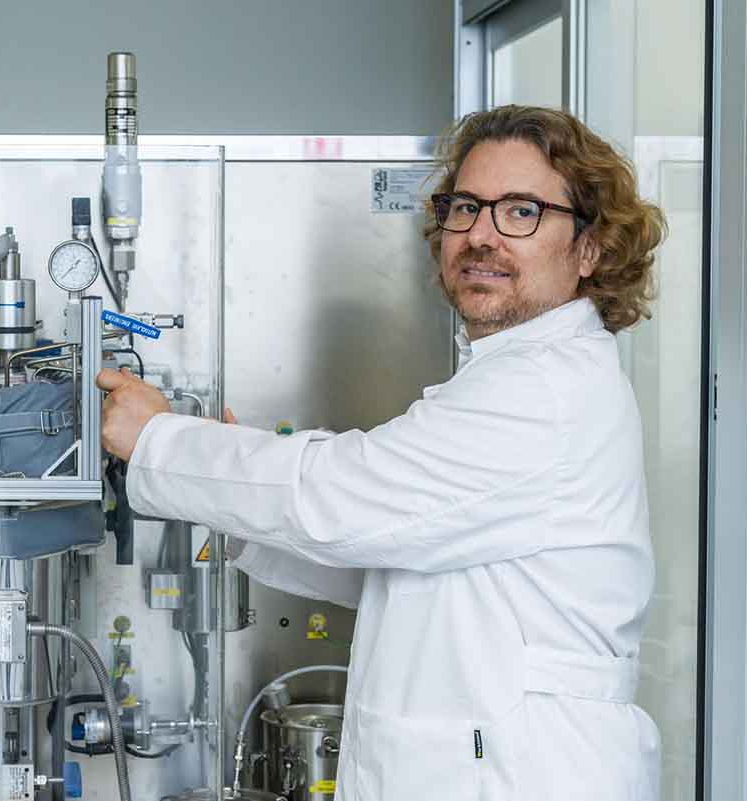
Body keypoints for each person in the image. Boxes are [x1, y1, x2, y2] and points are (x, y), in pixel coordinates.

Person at [97, 105, 667, 801]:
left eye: (521, 211)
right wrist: (225, 491)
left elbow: (339, 498)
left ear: (590, 248)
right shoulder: (512, 376)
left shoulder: (544, 390)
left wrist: (161, 441)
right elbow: (390, 552)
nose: (481, 234)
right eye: (466, 207)